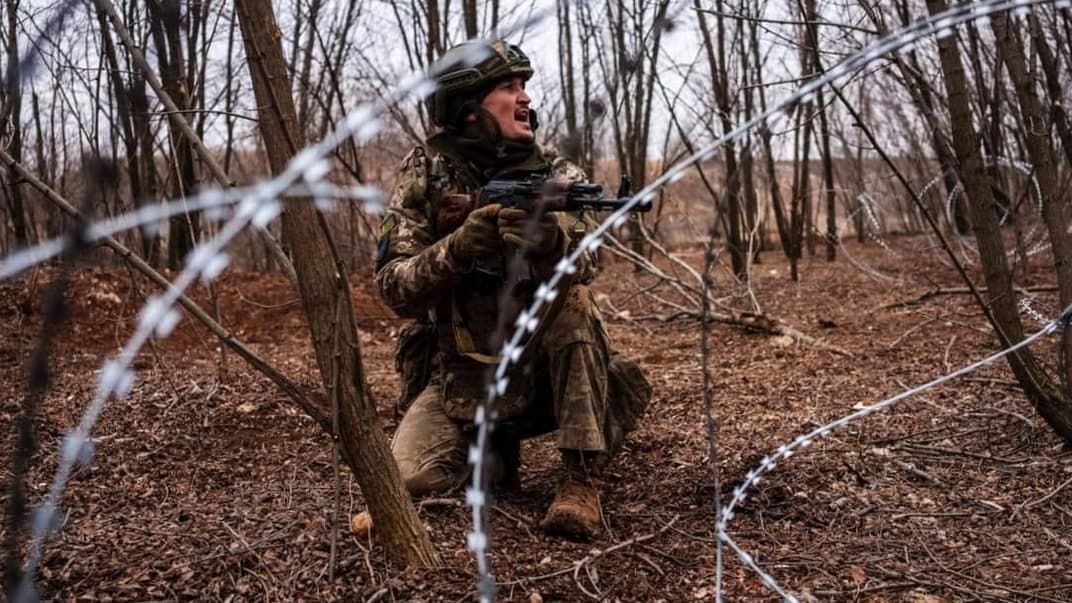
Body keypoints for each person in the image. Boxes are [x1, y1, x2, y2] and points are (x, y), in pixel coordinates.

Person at [373, 39, 651, 539]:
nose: (523, 97)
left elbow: (588, 263)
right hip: (461, 377)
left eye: (523, 85)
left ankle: (580, 480)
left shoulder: (558, 174)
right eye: (507, 87)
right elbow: (394, 288)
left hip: (544, 374)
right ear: (468, 109)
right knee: (412, 478)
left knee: (575, 300)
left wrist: (551, 246)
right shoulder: (427, 173)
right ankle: (494, 453)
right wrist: (458, 248)